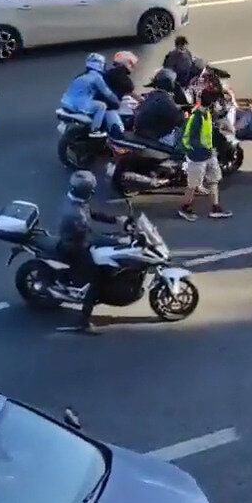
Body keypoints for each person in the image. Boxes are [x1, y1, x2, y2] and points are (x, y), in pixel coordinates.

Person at [55, 170, 132, 334]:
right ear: (84, 191)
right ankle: (83, 322)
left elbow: (92, 213)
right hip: (75, 246)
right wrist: (118, 240)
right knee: (96, 279)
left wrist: (116, 219)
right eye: (90, 189)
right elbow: (91, 236)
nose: (93, 192)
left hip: (76, 239)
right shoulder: (76, 214)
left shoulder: (75, 200)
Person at [177, 89, 233, 222]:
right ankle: (184, 208)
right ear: (211, 103)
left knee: (214, 180)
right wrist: (201, 152)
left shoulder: (206, 113)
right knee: (193, 185)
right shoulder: (197, 117)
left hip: (209, 154)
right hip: (197, 157)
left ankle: (215, 208)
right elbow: (193, 139)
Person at [60, 53, 123, 138]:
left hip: (66, 101)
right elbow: (107, 93)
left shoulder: (81, 75)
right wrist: (117, 101)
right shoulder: (96, 77)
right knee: (101, 106)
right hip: (78, 103)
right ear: (99, 64)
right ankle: (95, 130)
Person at [134, 69, 186, 144]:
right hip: (154, 139)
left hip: (141, 132)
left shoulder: (151, 96)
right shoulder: (165, 100)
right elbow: (179, 120)